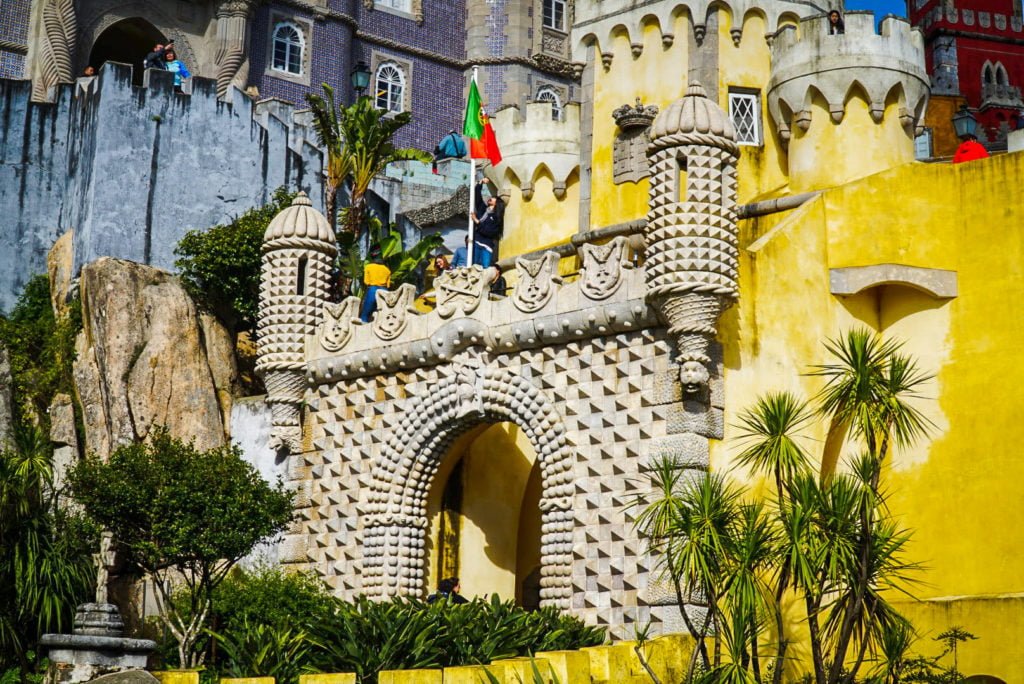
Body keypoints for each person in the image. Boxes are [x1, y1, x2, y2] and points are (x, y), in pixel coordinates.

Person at [471, 178, 504, 268]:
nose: (491, 198)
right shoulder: (483, 209)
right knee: (474, 267)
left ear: (497, 203)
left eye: (493, 198)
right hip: (477, 241)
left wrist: (477, 221)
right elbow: (477, 196)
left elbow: (489, 232)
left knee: (485, 269)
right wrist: (481, 182)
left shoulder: (497, 219)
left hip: (487, 245)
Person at [360, 248, 391, 322]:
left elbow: (366, 281)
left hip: (373, 290)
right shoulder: (387, 270)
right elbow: (388, 285)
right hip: (384, 292)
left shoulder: (368, 267)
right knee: (381, 316)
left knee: (365, 315)